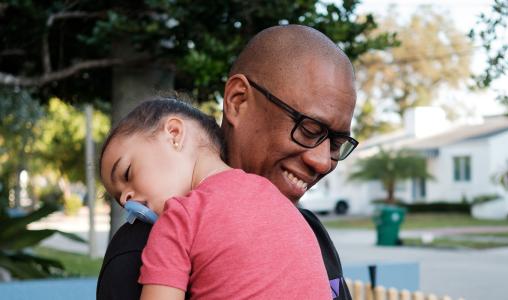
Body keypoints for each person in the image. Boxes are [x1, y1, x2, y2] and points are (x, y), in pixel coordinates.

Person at [97, 24, 358, 300]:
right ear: (237, 100)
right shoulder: (147, 245)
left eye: (337, 144)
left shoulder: (308, 228)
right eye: (308, 130)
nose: (322, 162)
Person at [99, 99, 331, 299]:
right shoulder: (280, 204)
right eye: (120, 198)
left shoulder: (178, 220)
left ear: (174, 134)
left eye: (127, 173)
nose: (127, 199)